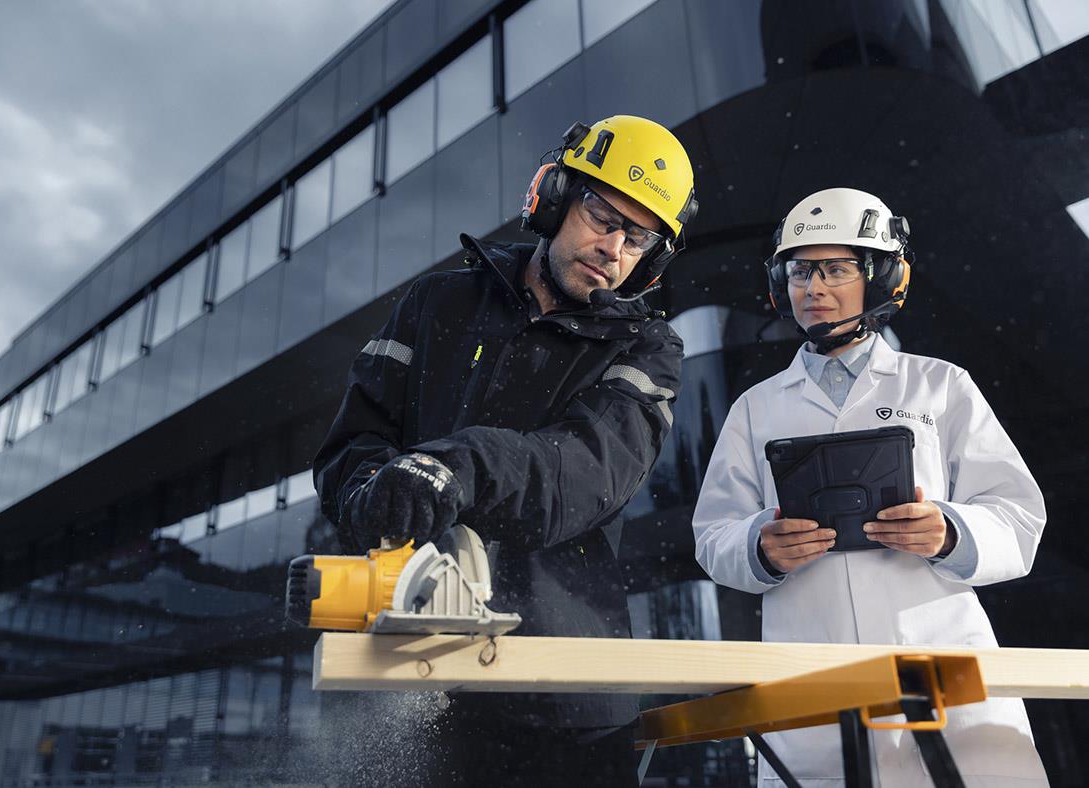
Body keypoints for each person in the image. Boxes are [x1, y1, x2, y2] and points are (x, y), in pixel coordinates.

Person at [313, 115, 698, 786]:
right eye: (601, 215)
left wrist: (455, 466)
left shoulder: (645, 350)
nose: (612, 247)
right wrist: (378, 490)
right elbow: (352, 442)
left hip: (567, 701)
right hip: (421, 676)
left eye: (637, 239)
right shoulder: (435, 305)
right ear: (551, 198)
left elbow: (583, 475)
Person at [692, 187, 1048, 787]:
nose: (814, 287)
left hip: (946, 679)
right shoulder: (755, 409)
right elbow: (712, 535)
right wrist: (760, 546)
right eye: (800, 271)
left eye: (835, 269)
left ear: (882, 277)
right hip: (811, 690)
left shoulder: (940, 387)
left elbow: (1019, 518)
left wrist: (951, 530)